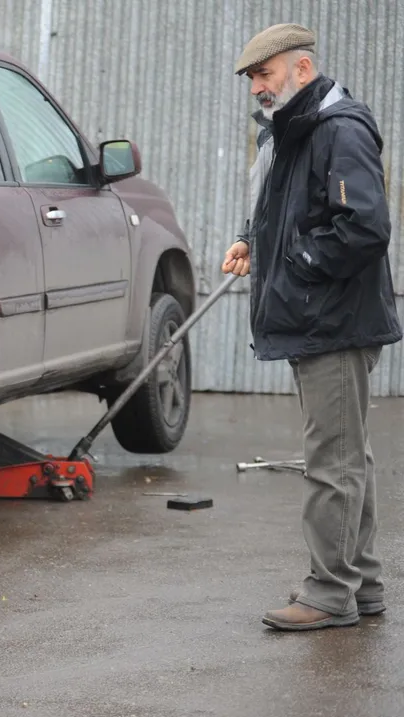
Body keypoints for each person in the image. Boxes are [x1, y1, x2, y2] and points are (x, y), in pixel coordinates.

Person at [223, 24, 402, 631]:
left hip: (334, 320)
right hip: (321, 314)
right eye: (251, 79)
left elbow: (363, 228)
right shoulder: (292, 131)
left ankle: (329, 592)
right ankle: (365, 584)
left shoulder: (338, 129)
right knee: (347, 455)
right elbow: (285, 206)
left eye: (264, 75)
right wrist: (251, 241)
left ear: (301, 70)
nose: (256, 88)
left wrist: (293, 261)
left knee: (334, 461)